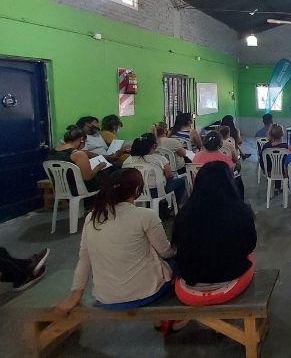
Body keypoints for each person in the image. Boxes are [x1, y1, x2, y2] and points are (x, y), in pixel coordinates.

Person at [55, 169, 175, 313]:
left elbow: (84, 260)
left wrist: (75, 295)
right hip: (146, 293)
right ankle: (170, 318)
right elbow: (165, 252)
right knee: (178, 263)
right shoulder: (145, 216)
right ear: (137, 190)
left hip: (106, 298)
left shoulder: (92, 217)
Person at [172, 162, 256, 306]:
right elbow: (249, 245)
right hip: (228, 284)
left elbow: (177, 244)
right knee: (251, 258)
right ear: (230, 183)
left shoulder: (184, 213)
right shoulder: (241, 211)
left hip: (188, 287)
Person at [123, 133, 187, 206]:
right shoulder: (160, 159)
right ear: (154, 146)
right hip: (157, 192)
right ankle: (172, 207)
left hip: (134, 192)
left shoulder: (127, 161)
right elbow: (169, 175)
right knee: (181, 181)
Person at [47, 126, 111, 192]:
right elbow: (87, 177)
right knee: (111, 173)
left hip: (60, 188)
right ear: (81, 139)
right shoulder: (78, 154)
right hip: (78, 189)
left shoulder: (53, 151)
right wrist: (99, 167)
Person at [260, 124, 291, 194]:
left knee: (275, 164)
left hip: (269, 172)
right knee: (281, 165)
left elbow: (261, 162)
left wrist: (265, 170)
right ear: (282, 134)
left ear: (270, 133)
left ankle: (277, 188)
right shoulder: (287, 147)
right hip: (284, 173)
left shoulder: (265, 147)